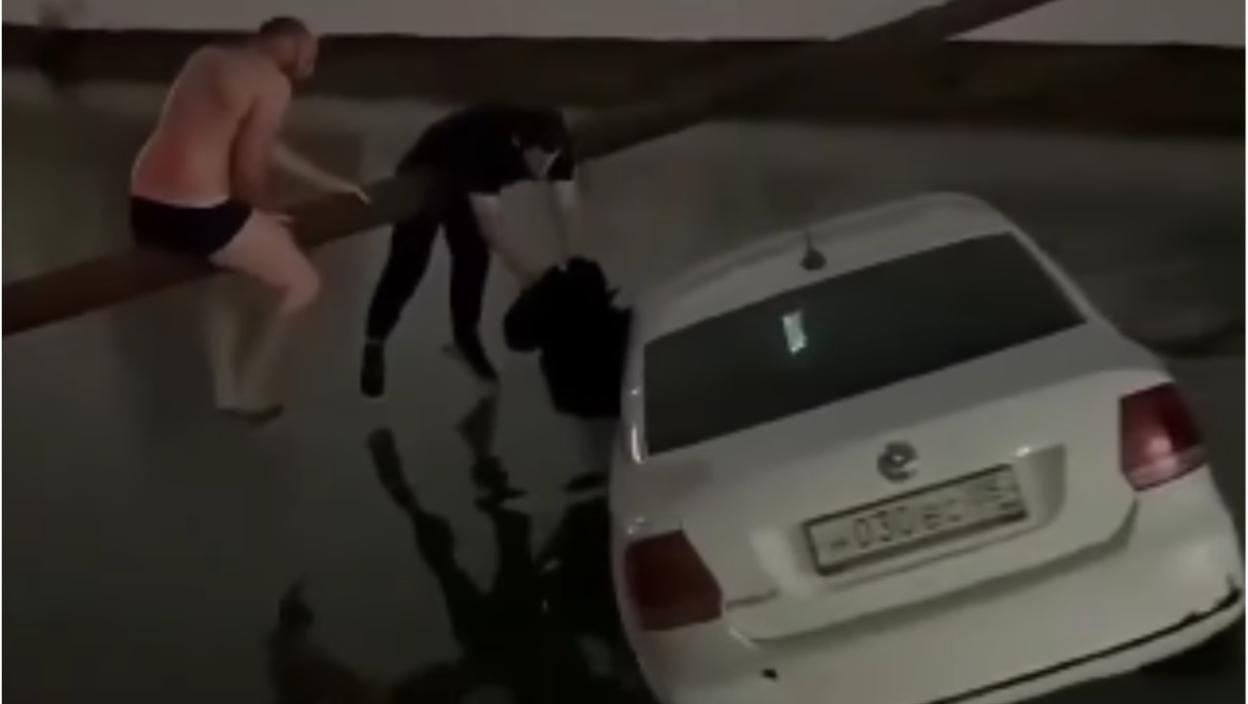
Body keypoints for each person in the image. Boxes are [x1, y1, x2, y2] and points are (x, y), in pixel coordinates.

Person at [129, 16, 367, 421]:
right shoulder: (271, 83)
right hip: (197, 212)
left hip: (146, 206)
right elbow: (250, 165)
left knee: (226, 289)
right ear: (293, 42)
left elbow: (263, 145)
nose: (313, 64)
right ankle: (251, 388)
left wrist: (331, 183)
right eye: (312, 52)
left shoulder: (205, 58)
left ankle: (225, 393)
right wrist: (257, 216)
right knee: (303, 283)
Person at [361, 105, 581, 398]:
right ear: (519, 144)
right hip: (428, 172)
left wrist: (572, 257)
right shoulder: (483, 146)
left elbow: (565, 203)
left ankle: (465, 338)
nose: (544, 169)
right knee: (409, 263)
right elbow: (491, 223)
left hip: (469, 181)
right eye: (539, 159)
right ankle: (375, 341)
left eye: (551, 159)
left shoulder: (557, 143)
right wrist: (526, 272)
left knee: (473, 257)